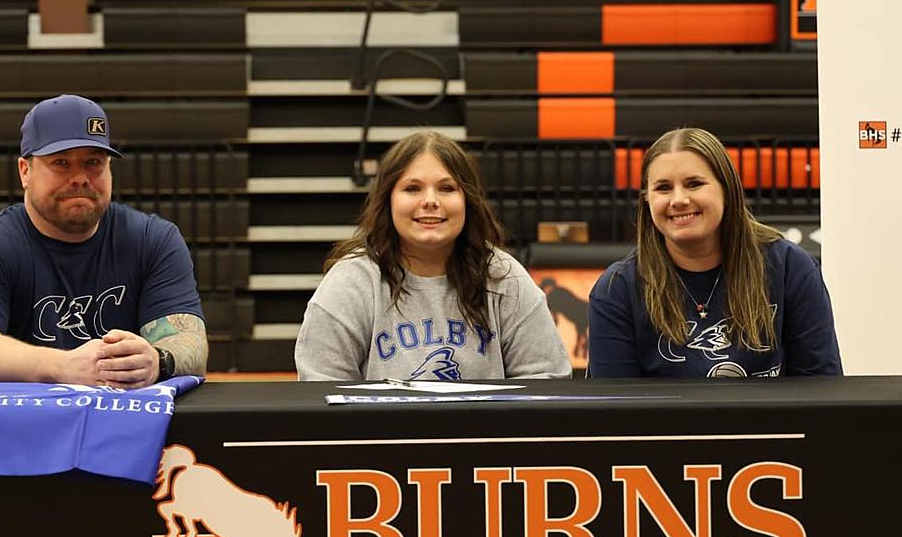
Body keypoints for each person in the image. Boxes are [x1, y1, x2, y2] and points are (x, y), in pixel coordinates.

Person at [0, 94, 207, 387]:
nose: (80, 177)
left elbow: (190, 341)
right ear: (25, 172)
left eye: (93, 162)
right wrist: (63, 367)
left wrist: (156, 360)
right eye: (61, 162)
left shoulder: (153, 240)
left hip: (125, 428)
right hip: (22, 427)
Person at [295, 131, 571, 381]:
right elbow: (321, 389)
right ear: (388, 200)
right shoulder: (351, 283)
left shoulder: (504, 276)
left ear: (469, 200)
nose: (430, 200)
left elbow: (546, 378)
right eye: (412, 188)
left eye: (447, 188)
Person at [588, 127, 841, 378]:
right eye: (663, 188)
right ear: (646, 199)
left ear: (727, 190)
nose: (678, 199)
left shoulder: (790, 268)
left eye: (694, 184)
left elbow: (821, 389)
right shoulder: (616, 289)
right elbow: (614, 410)